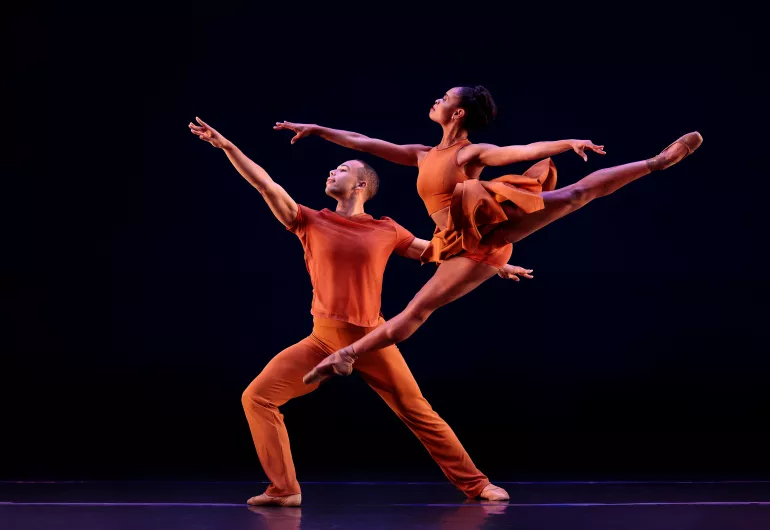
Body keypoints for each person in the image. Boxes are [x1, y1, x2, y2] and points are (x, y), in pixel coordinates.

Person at [189, 117, 532, 505]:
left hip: (371, 339)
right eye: (333, 169)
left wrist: (495, 264)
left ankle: (476, 484)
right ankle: (284, 490)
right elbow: (266, 184)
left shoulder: (387, 229)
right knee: (257, 398)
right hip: (321, 338)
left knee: (417, 411)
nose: (332, 172)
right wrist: (228, 147)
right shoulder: (309, 220)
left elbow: (439, 253)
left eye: (342, 169)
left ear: (361, 185)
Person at [272, 85, 702, 385]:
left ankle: (655, 163)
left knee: (573, 194)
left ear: (457, 113)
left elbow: (517, 153)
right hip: (460, 246)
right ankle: (346, 357)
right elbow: (363, 142)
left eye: (444, 98)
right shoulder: (422, 154)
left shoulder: (469, 152)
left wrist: (563, 143)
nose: (436, 100)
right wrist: (318, 130)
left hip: (491, 226)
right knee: (417, 311)